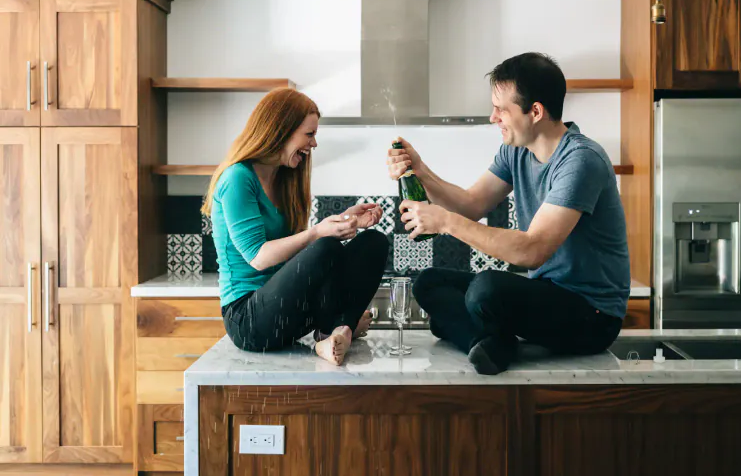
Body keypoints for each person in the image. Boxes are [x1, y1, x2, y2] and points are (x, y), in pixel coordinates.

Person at [387, 52, 629, 374]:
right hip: (548, 295)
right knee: (429, 284)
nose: (493, 118)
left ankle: (483, 338)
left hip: (592, 316)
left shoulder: (580, 161)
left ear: (536, 112)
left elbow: (533, 251)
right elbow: (473, 204)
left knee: (485, 290)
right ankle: (491, 344)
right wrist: (421, 170)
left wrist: (444, 221)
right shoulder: (515, 150)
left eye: (501, 110)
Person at [203, 88, 388, 365]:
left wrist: (347, 221)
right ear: (281, 130)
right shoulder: (237, 178)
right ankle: (342, 325)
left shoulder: (285, 179)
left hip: (289, 311)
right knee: (326, 246)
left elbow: (298, 258)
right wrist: (318, 232)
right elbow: (258, 257)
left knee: (374, 241)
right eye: (309, 134)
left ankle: (335, 331)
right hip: (249, 321)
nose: (314, 144)